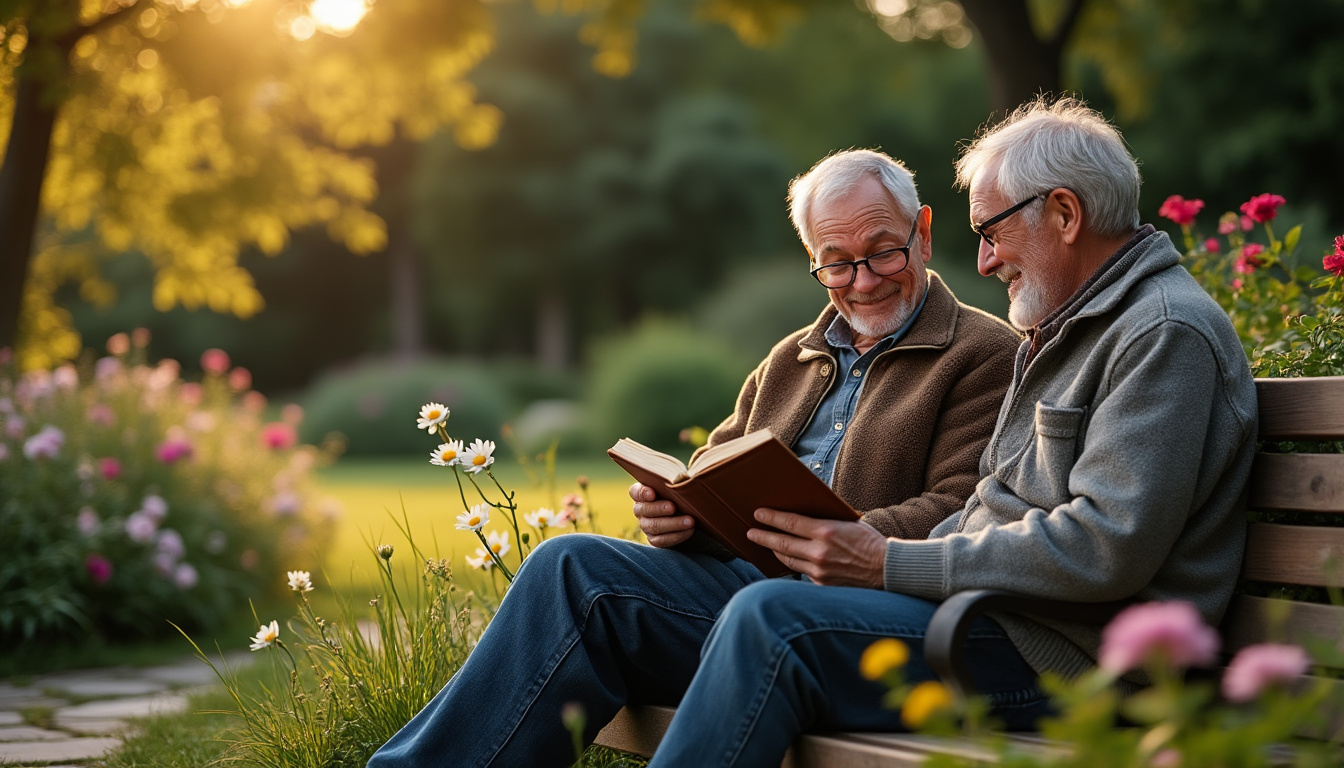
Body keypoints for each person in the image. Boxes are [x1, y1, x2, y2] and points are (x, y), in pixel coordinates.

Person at [639, 98, 1257, 765]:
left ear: (1066, 215)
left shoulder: (1162, 332)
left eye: (992, 231)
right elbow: (993, 507)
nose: (986, 261)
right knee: (592, 571)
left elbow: (1105, 546)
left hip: (1069, 660)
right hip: (991, 621)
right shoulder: (1075, 325)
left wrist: (886, 564)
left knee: (771, 619)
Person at [368, 149, 1020, 768]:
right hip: (745, 594)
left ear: (923, 232)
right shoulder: (790, 358)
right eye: (836, 263)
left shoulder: (984, 353)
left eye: (883, 252)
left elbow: (963, 510)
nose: (863, 281)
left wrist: (852, 540)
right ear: (811, 260)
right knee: (567, 566)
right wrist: (675, 514)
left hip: (867, 616)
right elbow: (712, 464)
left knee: (762, 612)